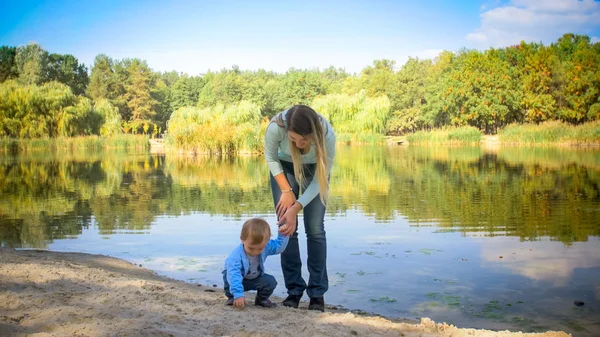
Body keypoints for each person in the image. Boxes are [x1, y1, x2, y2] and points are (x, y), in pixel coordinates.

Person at [264, 104, 336, 312]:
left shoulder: (327, 136)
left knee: (315, 229)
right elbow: (270, 158)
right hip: (284, 168)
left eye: (303, 140)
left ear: (313, 134)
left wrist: (297, 206)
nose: (298, 144)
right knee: (286, 228)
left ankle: (317, 294)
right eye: (293, 139)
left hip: (316, 172)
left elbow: (319, 181)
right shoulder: (276, 127)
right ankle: (294, 291)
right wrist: (287, 192)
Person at [222, 217, 289, 308]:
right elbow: (234, 275)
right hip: (236, 280)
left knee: (270, 281)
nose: (255, 252)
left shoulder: (266, 246)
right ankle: (232, 297)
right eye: (251, 248)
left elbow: (279, 247)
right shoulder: (235, 256)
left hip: (254, 279)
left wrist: (283, 235)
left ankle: (261, 299)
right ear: (242, 239)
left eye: (260, 249)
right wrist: (238, 294)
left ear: (267, 242)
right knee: (228, 275)